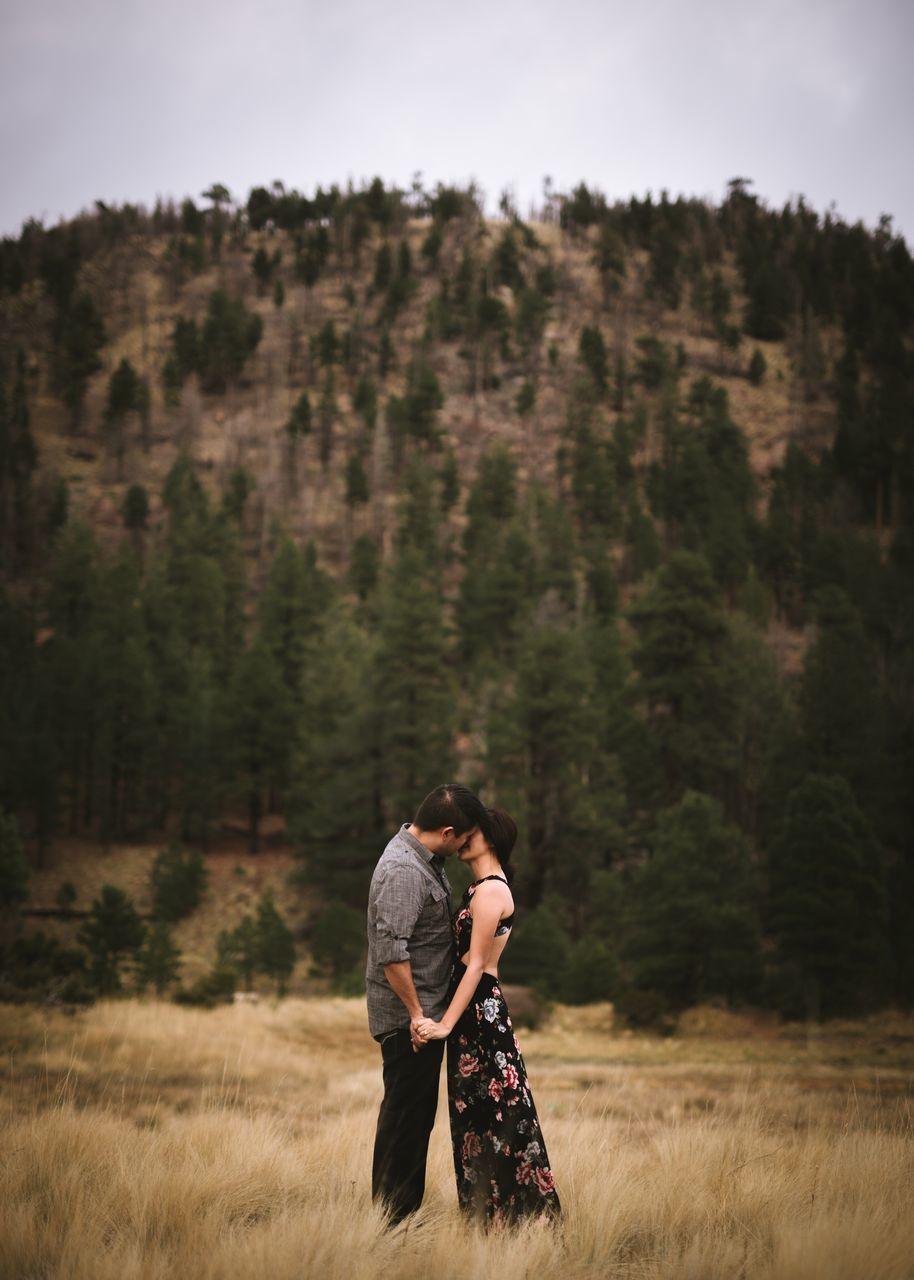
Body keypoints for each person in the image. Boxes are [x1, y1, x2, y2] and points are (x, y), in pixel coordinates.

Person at [415, 807, 561, 1227]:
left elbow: (475, 965)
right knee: (477, 1118)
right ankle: (487, 1218)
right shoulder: (479, 888)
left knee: (499, 1115)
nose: (460, 838)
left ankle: (519, 1220)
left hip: (480, 1011)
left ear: (490, 839)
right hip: (473, 1011)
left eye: (470, 833)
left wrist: (443, 1024)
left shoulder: (492, 892)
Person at [366, 782, 490, 1226]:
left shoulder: (424, 860)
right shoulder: (403, 870)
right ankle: (393, 1225)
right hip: (409, 1022)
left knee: (414, 1121)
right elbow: (391, 953)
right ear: (449, 830)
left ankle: (395, 1219)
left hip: (423, 1017)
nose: (465, 846)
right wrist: (418, 1015)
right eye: (465, 837)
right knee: (405, 1123)